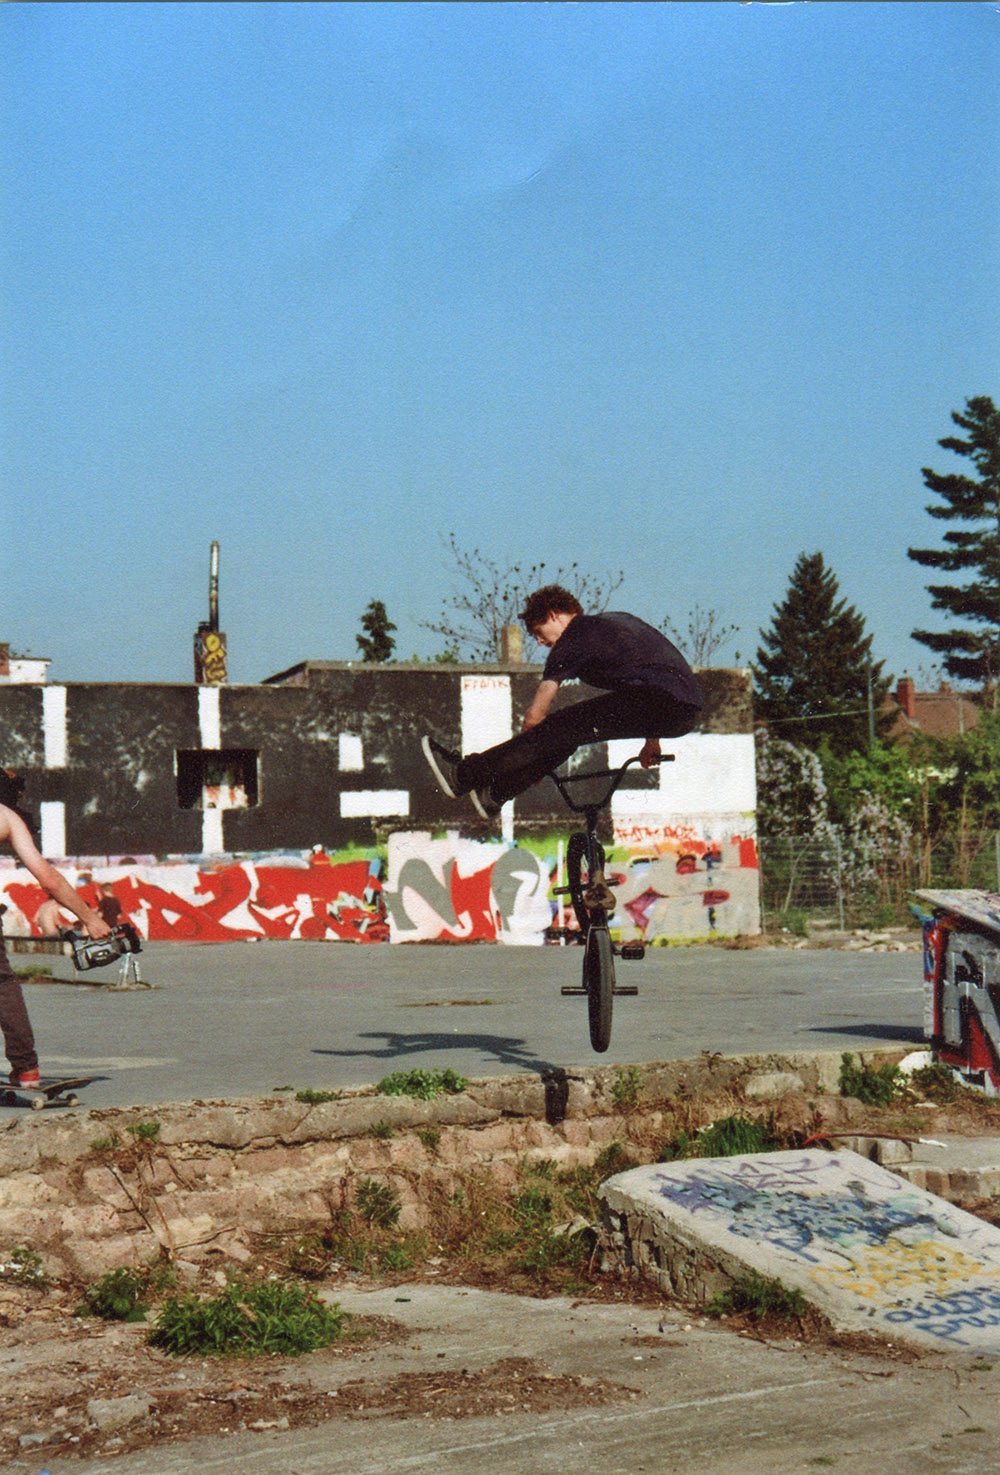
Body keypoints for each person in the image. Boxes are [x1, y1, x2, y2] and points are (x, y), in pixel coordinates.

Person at [422, 584, 704, 819]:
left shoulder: (575, 635)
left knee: (556, 728)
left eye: (538, 632)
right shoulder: (611, 624)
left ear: (553, 615)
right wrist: (652, 741)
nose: (541, 643)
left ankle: (461, 775)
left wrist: (529, 753)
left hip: (661, 701)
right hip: (682, 709)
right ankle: (496, 794)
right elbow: (647, 677)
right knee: (570, 732)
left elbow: (537, 711)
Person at [0, 770, 111, 1089]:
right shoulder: (7, 817)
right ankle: (27, 1070)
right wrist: (90, 918)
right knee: (3, 986)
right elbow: (49, 879)